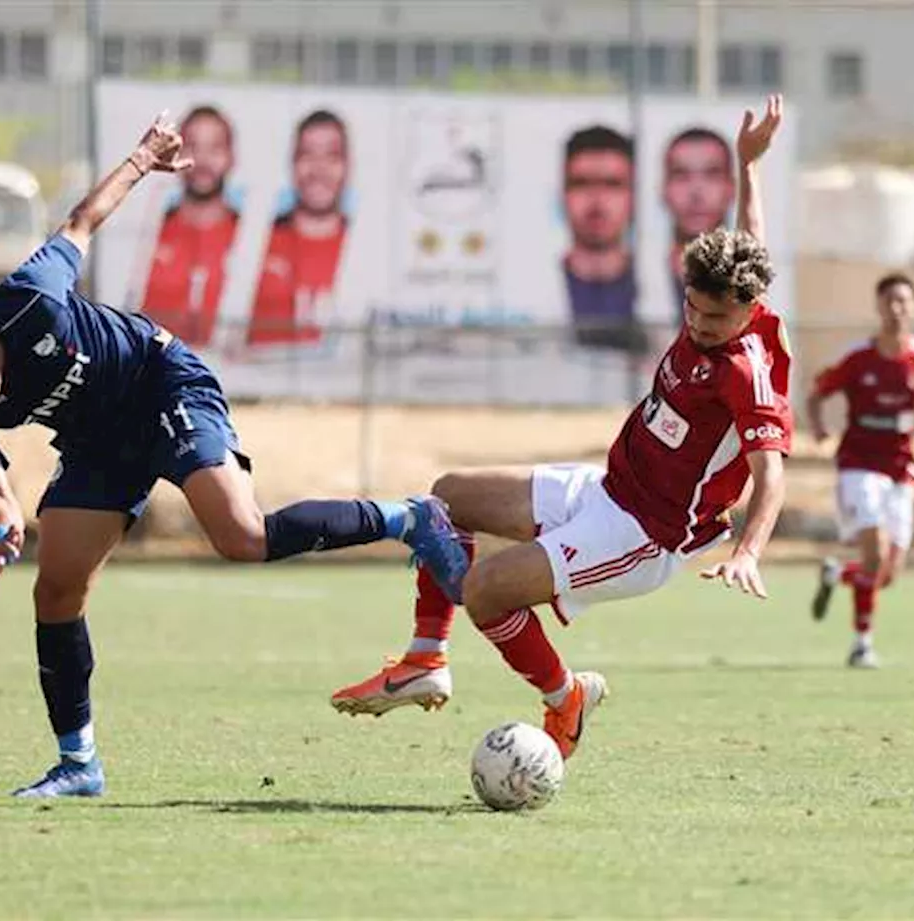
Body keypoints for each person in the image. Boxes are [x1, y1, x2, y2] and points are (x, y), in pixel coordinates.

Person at [0, 112, 468, 798]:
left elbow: (81, 222)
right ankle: (78, 764)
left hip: (161, 384)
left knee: (242, 537)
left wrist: (142, 158)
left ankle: (411, 518)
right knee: (57, 589)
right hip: (98, 441)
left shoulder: (30, 299)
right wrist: (4, 513)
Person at [332, 96, 792, 760]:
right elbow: (753, 240)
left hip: (644, 534)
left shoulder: (746, 375)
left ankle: (564, 698)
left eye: (713, 319)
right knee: (447, 495)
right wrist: (750, 165)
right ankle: (425, 658)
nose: (697, 325)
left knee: (486, 590)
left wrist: (749, 550)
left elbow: (771, 472)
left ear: (746, 312)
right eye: (691, 308)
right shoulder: (732, 295)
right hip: (605, 489)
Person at [806, 273, 914, 668]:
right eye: (890, 301)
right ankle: (861, 644)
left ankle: (836, 576)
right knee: (875, 555)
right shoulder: (857, 358)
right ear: (878, 306)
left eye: (904, 301)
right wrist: (818, 429)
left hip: (902, 465)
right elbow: (817, 394)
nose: (897, 308)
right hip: (859, 462)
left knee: (886, 573)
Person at [138, 105, 240, 348]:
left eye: (214, 148)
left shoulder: (250, 238)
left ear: (231, 157)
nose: (202, 160)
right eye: (193, 146)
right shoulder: (149, 234)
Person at [247, 109, 349, 347]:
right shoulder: (258, 242)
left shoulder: (363, 248)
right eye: (307, 155)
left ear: (348, 165)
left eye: (332, 156)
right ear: (292, 162)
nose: (318, 169)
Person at [560, 125, 645, 353]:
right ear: (562, 194)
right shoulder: (532, 291)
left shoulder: (661, 290)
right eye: (581, 183)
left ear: (633, 195)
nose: (597, 201)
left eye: (612, 184)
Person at [663, 128, 736, 320]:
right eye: (681, 175)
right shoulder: (635, 283)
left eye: (712, 175)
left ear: (731, 188)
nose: (696, 192)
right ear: (663, 189)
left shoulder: (747, 277)